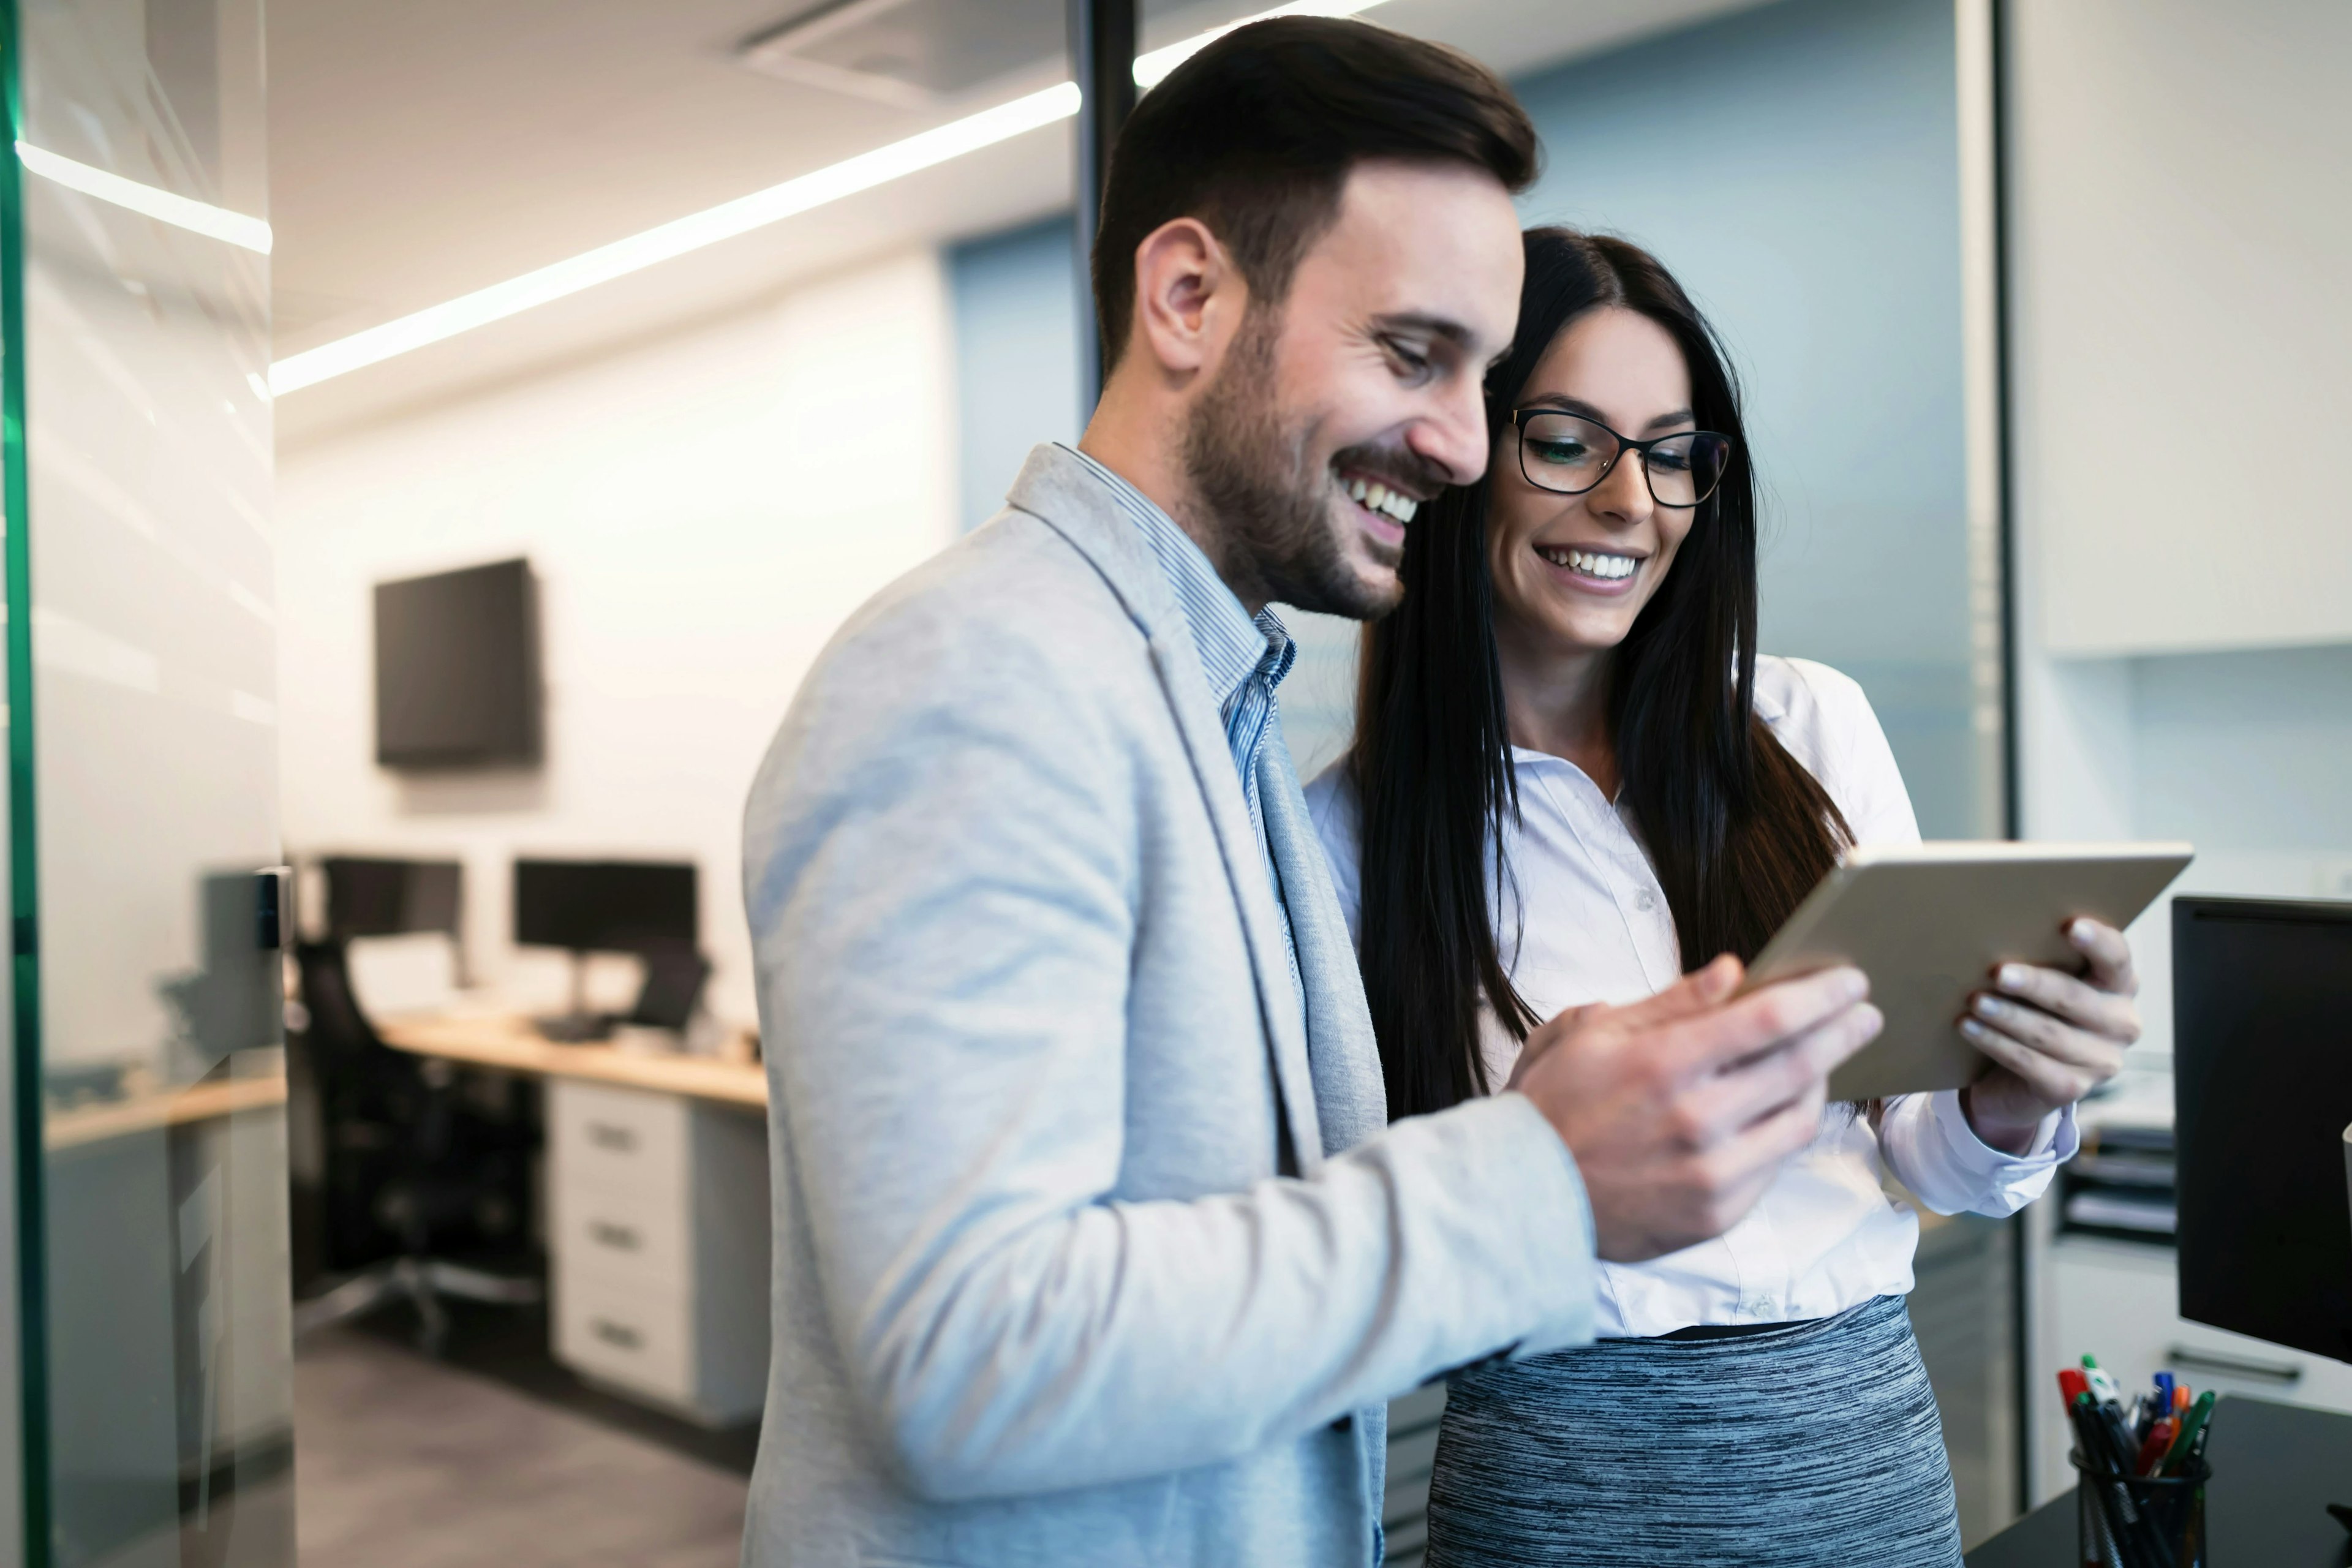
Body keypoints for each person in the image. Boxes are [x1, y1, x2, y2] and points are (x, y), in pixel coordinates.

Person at [737, 23, 1883, 1568]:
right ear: (1189, 296)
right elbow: (966, 1357)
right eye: (1415, 356)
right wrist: (1538, 1174)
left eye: (1483, 377)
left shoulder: (1212, 713)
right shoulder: (978, 677)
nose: (1463, 442)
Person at [1307, 227, 2142, 1566]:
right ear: (1465, 455)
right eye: (1569, 440)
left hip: (1856, 1446)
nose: (1633, 501)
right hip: (1558, 1480)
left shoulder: (1811, 725)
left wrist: (2011, 1095)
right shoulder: (1344, 839)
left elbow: (1921, 1157)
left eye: (1675, 452)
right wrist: (1532, 1155)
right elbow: (1351, 1264)